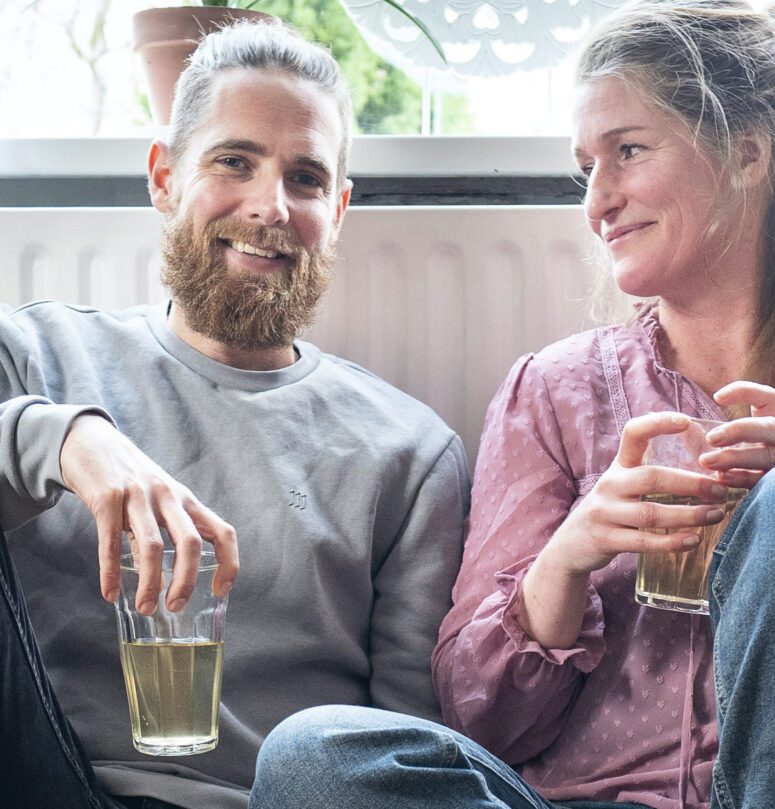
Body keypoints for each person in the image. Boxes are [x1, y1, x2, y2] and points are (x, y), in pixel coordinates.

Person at [248, 1, 775, 808]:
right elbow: (480, 718)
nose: (597, 200)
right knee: (314, 755)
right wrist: (569, 555)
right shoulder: (553, 393)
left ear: (748, 153)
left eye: (628, 151)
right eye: (588, 166)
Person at [0, 21, 469, 809]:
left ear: (340, 209)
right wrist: (67, 438)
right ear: (164, 177)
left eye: (307, 178)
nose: (270, 206)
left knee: (321, 754)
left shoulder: (411, 453)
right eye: (234, 161)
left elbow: (403, 738)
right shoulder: (37, 354)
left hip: (274, 798)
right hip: (41, 775)